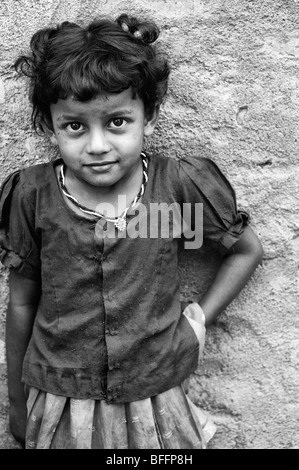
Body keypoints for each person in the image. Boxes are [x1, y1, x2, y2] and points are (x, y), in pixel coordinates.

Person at [0, 14, 263, 449]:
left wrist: (195, 322)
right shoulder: (33, 197)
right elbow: (23, 299)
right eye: (75, 125)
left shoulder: (176, 191)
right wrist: (14, 401)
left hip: (153, 395)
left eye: (117, 121)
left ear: (150, 117)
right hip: (61, 397)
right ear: (50, 126)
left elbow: (242, 251)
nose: (98, 145)